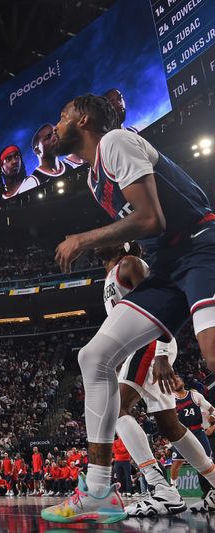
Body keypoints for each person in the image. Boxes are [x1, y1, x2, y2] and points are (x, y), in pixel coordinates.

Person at [44, 93, 215, 524]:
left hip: (199, 246)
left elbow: (151, 219)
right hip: (167, 266)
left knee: (213, 355)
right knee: (94, 356)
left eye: (62, 115)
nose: (57, 123)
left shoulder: (115, 141)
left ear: (82, 119)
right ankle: (99, 489)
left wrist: (84, 238)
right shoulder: (91, 177)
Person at [95, 241, 215, 515]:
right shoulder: (113, 275)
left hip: (150, 342)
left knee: (115, 409)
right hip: (141, 346)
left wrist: (161, 350)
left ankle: (161, 489)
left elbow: (163, 303)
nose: (102, 237)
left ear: (124, 245)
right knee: (170, 427)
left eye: (111, 235)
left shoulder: (129, 264)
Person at [169, 376, 215, 491]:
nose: (175, 382)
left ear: (183, 382)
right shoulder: (170, 400)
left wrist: (213, 416)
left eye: (177, 380)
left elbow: (211, 409)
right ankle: (173, 488)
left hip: (198, 431)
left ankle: (211, 490)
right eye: (173, 382)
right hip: (182, 433)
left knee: (208, 460)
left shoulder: (195, 395)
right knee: (176, 463)